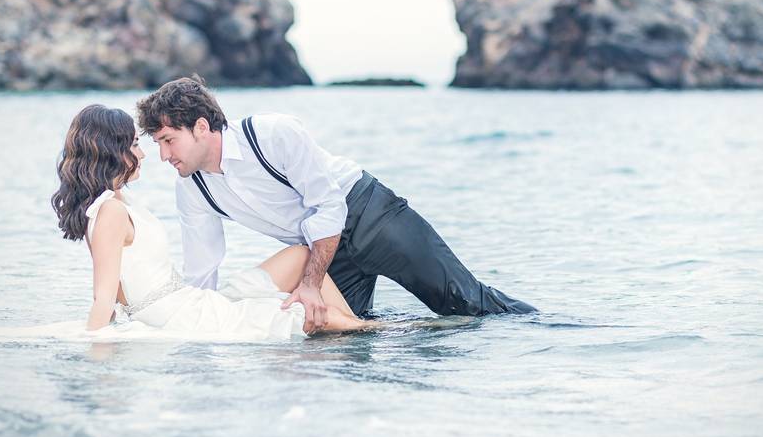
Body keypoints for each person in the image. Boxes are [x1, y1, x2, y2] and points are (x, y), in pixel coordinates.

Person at [135, 75, 537, 334]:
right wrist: (188, 325)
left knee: (466, 303)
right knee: (339, 338)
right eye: (157, 144)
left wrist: (309, 284)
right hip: (323, 254)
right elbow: (202, 270)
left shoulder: (273, 134)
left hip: (371, 217)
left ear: (202, 128)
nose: (164, 155)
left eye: (168, 140)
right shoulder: (192, 188)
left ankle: (548, 332)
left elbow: (328, 206)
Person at [51, 104, 369, 337]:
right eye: (134, 144)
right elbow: (105, 298)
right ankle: (373, 331)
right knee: (303, 317)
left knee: (301, 255)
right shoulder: (110, 212)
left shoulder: (121, 202)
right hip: (176, 315)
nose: (145, 154)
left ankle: (359, 324)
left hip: (189, 301)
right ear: (112, 151)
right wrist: (97, 362)